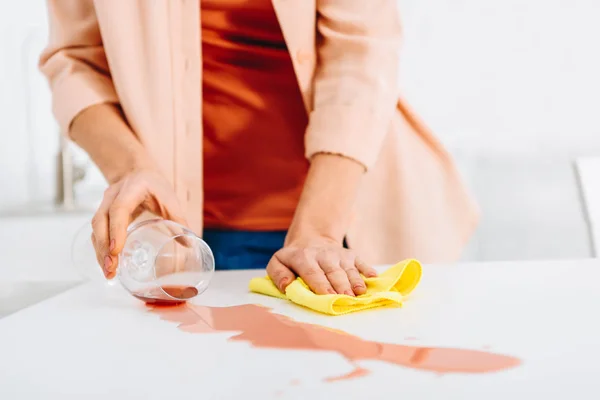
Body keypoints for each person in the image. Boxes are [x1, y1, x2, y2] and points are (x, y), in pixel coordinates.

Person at [40, 0, 478, 296]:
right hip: (185, 239)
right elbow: (74, 60)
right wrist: (130, 167)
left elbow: (360, 53)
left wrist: (319, 230)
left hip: (347, 223)